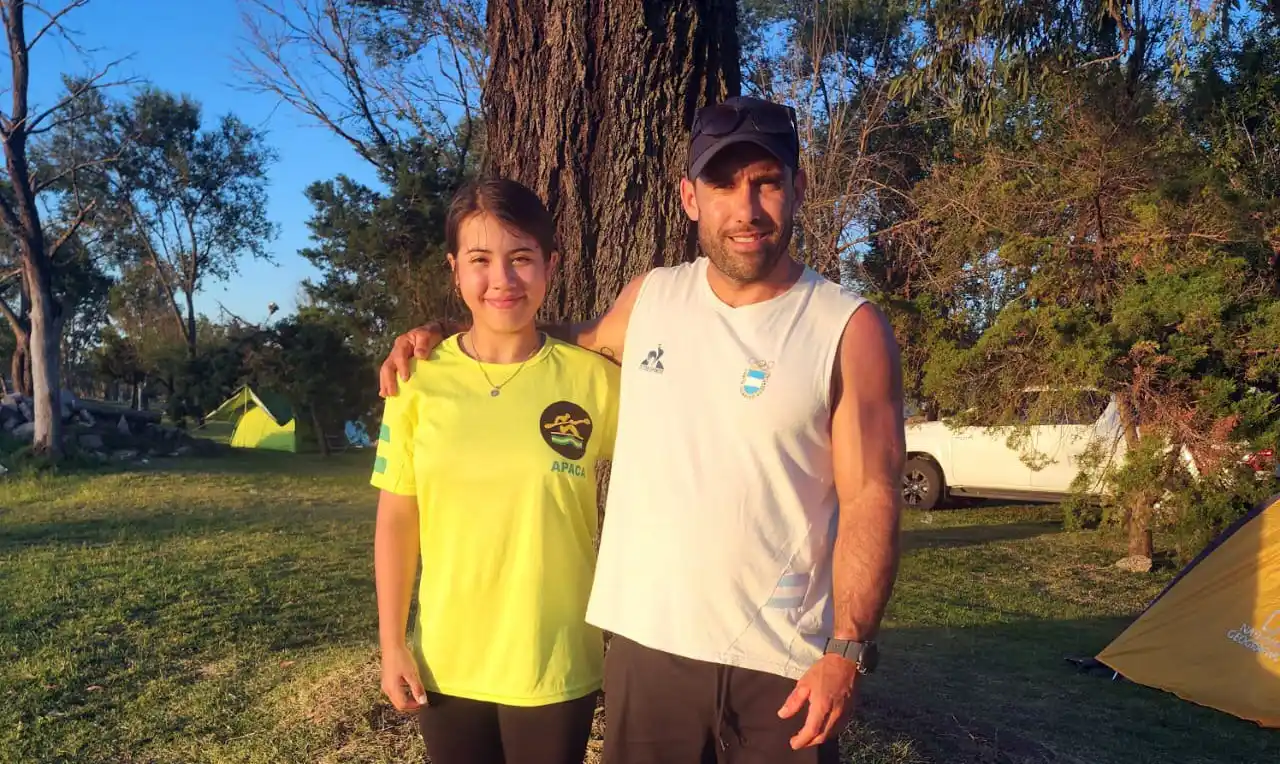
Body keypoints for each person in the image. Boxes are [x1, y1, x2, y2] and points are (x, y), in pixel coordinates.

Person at [379, 96, 905, 764]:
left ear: (798, 189)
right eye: (722, 185)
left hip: (781, 661)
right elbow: (553, 341)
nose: (745, 211)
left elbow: (872, 497)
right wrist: (452, 336)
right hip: (647, 653)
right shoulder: (651, 299)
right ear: (690, 198)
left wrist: (846, 650)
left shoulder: (847, 328)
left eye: (766, 182)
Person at [371, 177, 620, 764]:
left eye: (522, 259)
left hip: (554, 659)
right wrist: (391, 643)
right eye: (481, 260)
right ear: (455, 269)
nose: (503, 280)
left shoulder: (596, 382)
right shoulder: (415, 382)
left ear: (550, 265)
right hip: (448, 662)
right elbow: (397, 520)